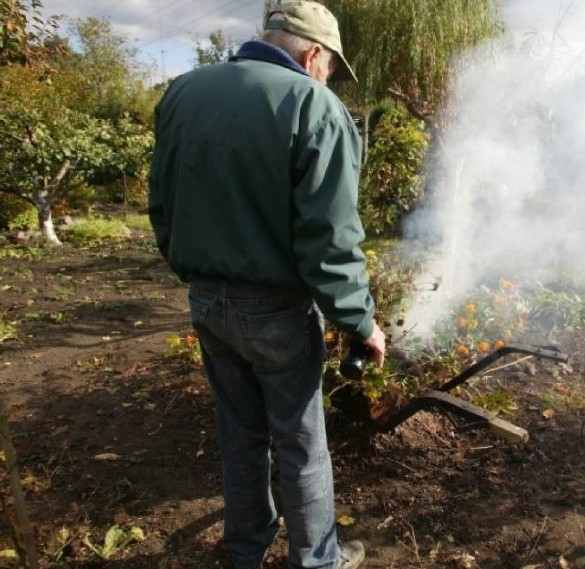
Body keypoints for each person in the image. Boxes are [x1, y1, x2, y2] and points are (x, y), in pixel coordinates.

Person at [147, 2, 385, 568]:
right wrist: (361, 322)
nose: (326, 78)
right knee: (302, 446)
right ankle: (317, 562)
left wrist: (195, 272)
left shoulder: (183, 92)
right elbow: (329, 238)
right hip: (276, 310)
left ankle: (245, 551)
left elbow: (160, 202)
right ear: (312, 53)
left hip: (206, 300)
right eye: (329, 67)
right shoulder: (314, 105)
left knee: (240, 434)